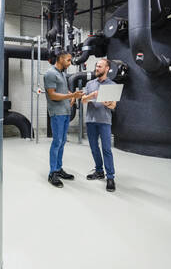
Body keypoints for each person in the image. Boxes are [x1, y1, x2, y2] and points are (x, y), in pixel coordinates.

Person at [44, 52, 84, 188]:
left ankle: (58, 168)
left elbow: (63, 90)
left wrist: (72, 96)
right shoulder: (50, 73)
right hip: (57, 113)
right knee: (57, 142)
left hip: (65, 112)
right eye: (68, 60)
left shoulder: (61, 73)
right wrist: (71, 95)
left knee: (62, 142)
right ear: (60, 59)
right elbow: (52, 95)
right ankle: (52, 173)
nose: (70, 62)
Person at [81, 58, 117, 192]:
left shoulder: (112, 85)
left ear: (107, 68)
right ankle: (99, 171)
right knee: (94, 148)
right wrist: (92, 95)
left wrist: (107, 103)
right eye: (96, 66)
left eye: (100, 66)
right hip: (91, 121)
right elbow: (83, 100)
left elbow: (113, 105)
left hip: (104, 121)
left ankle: (110, 177)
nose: (97, 68)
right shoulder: (90, 84)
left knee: (106, 149)